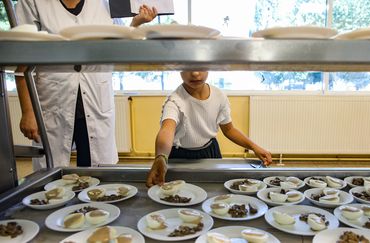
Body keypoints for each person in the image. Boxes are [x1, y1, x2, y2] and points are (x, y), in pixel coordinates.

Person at [14, 0, 158, 169]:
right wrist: (28, 112)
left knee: (96, 173)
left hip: (95, 99)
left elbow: (118, 47)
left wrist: (136, 23)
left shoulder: (105, 2)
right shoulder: (33, 2)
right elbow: (21, 61)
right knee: (51, 174)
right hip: (53, 101)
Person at [146, 71, 272, 187]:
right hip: (180, 156)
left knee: (213, 189)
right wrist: (161, 157)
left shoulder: (219, 96)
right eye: (188, 67)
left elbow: (229, 130)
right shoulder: (174, 100)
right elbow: (167, 130)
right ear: (179, 68)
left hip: (210, 152)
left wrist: (254, 147)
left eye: (200, 66)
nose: (195, 73)